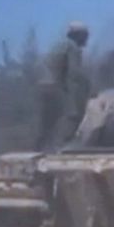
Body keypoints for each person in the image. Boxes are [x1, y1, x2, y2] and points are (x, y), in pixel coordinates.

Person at [35, 21, 91, 150]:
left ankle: (41, 148)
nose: (86, 39)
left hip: (42, 85)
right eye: (85, 36)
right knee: (73, 115)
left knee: (47, 123)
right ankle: (64, 146)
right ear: (78, 35)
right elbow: (74, 73)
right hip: (54, 86)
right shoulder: (72, 47)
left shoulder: (60, 45)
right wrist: (87, 87)